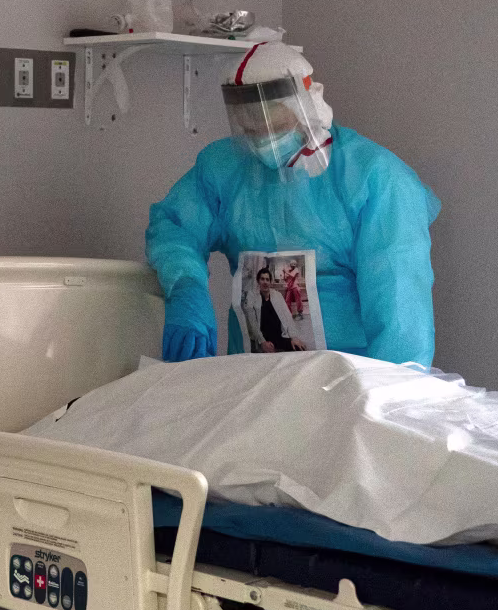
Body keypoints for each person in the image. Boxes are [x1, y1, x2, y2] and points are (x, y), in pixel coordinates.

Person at [147, 41, 441, 366]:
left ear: (309, 105)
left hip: (350, 380)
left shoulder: (376, 180)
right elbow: (175, 227)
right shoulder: (225, 167)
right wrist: (186, 285)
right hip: (252, 377)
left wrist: (390, 395)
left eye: (277, 126)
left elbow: (400, 308)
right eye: (251, 130)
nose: (263, 140)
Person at [245, 267, 308, 353]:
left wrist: (293, 337)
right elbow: (252, 321)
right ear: (258, 281)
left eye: (267, 279)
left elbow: (287, 316)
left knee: (301, 348)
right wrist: (262, 342)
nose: (265, 282)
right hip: (264, 339)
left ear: (270, 282)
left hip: (280, 336)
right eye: (262, 279)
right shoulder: (252, 295)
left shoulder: (277, 295)